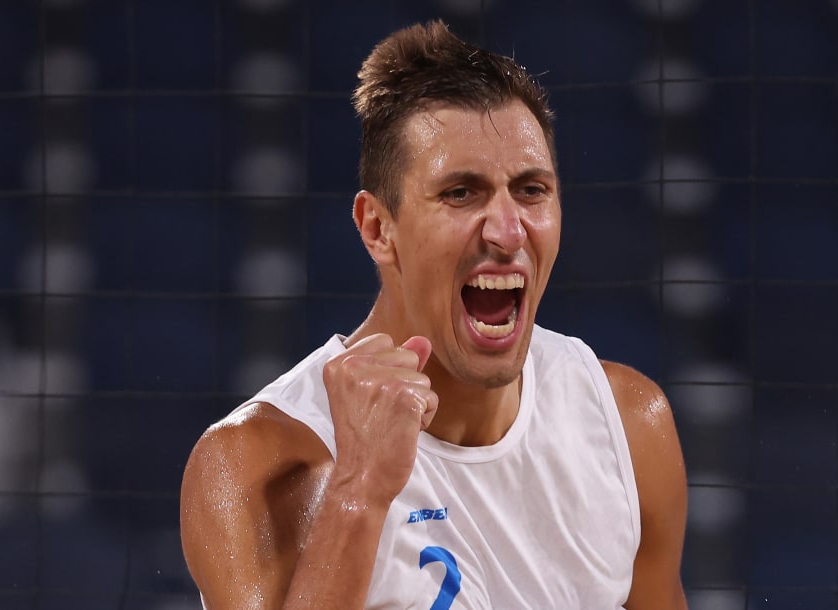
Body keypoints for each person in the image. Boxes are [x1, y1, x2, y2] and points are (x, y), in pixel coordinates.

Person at [180, 20, 687, 610]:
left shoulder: (627, 425)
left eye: (531, 190)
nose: (506, 232)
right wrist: (359, 491)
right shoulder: (251, 467)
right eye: (460, 193)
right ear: (377, 228)